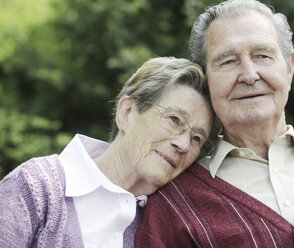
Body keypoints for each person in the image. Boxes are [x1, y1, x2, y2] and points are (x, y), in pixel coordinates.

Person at [135, 1, 294, 247]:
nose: (249, 75)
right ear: (207, 80)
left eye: (262, 56)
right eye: (227, 62)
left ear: (289, 67)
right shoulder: (173, 208)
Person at [0, 57, 218, 248]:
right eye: (174, 119)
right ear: (127, 113)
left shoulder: (167, 226)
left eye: (197, 138)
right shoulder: (36, 188)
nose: (184, 145)